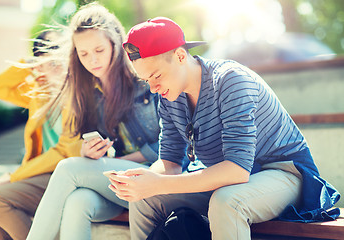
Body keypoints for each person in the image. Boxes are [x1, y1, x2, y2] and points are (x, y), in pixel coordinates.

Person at [106, 17, 341, 239]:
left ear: (179, 56)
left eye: (156, 75)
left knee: (227, 201)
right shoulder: (170, 96)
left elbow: (236, 171)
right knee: (144, 200)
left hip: (284, 174)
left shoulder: (231, 80)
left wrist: (159, 184)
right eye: (147, 80)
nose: (154, 88)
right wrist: (139, 181)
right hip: (228, 180)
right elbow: (170, 164)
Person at [26, 3, 161, 240]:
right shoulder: (89, 94)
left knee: (68, 168)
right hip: (118, 183)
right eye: (84, 53)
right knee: (77, 202)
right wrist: (90, 153)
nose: (92, 60)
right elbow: (100, 152)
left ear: (115, 44)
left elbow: (172, 146)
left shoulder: (146, 81)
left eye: (99, 49)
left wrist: (118, 162)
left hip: (155, 178)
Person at [0, 30, 82, 240]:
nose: (58, 62)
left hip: (66, 173)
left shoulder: (78, 93)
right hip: (40, 173)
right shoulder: (38, 95)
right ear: (39, 65)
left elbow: (65, 151)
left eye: (61, 53)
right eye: (50, 56)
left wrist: (13, 177)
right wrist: (28, 63)